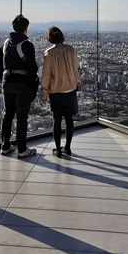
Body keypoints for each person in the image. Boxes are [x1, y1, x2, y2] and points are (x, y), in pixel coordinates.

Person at [0, 14, 38, 158]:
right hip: (23, 84)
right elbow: (32, 67)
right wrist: (32, 84)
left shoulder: (5, 44)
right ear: (26, 29)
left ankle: (5, 146)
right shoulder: (27, 45)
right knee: (22, 117)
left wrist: (4, 79)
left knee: (7, 115)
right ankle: (22, 149)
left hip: (7, 82)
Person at [41, 26, 80, 158]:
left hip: (56, 91)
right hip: (70, 88)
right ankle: (67, 147)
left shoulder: (49, 53)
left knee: (57, 120)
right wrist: (76, 82)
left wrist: (45, 91)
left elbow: (46, 75)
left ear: (50, 38)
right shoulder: (70, 50)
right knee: (69, 119)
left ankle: (58, 149)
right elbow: (75, 68)